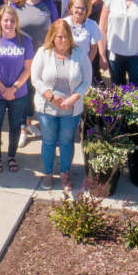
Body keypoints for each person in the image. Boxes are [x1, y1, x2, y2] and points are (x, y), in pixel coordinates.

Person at [31, 22, 90, 191]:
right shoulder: (43, 53)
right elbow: (35, 79)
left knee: (66, 141)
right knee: (48, 141)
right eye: (59, 37)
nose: (63, 40)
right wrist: (50, 96)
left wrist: (74, 98)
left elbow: (87, 80)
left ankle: (65, 174)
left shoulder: (79, 54)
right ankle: (48, 173)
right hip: (47, 108)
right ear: (53, 37)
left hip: (71, 108)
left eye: (65, 36)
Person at [0, 7, 34, 174]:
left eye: (12, 21)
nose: (9, 24)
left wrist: (13, 88)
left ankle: (12, 156)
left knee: (15, 126)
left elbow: (28, 69)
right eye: (6, 20)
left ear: (16, 23)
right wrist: (2, 88)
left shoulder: (25, 41)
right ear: (0, 21)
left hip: (18, 93)